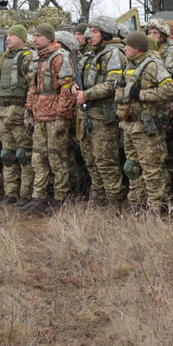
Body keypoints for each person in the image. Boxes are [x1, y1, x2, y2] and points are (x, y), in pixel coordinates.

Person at [117, 31, 173, 212]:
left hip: (145, 126)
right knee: (132, 167)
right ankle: (136, 203)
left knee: (151, 169)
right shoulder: (131, 65)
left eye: (127, 46)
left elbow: (169, 90)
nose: (124, 49)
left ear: (137, 48)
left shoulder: (153, 65)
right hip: (129, 124)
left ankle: (155, 208)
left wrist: (141, 94)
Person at [73, 16, 127, 205]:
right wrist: (74, 88)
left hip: (103, 117)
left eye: (95, 31)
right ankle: (98, 198)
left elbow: (113, 84)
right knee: (90, 160)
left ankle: (115, 201)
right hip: (86, 115)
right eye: (90, 31)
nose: (90, 35)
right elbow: (78, 78)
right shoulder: (89, 55)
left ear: (105, 33)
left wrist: (86, 95)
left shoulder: (113, 54)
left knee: (106, 161)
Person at [23, 24, 76, 212]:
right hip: (40, 116)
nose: (34, 39)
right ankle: (38, 197)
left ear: (49, 38)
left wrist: (62, 115)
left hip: (54, 116)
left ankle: (61, 198)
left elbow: (67, 88)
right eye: (34, 35)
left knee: (57, 158)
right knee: (38, 159)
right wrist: (29, 111)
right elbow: (33, 87)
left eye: (39, 36)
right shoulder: (39, 58)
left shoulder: (60, 57)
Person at [0, 25, 35, 204]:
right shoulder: (4, 58)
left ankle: (26, 194)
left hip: (19, 112)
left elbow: (33, 85)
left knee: (24, 154)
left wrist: (28, 112)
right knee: (7, 154)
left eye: (12, 35)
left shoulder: (27, 57)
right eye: (7, 35)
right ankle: (11, 193)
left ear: (22, 38)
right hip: (3, 113)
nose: (8, 38)